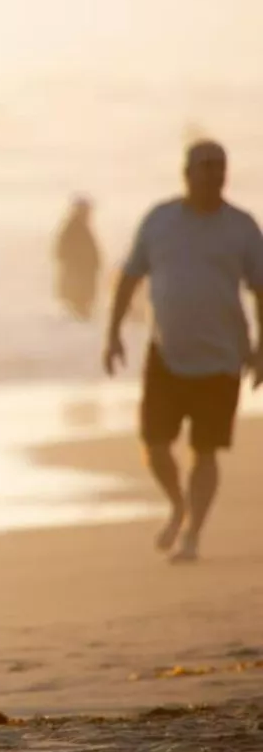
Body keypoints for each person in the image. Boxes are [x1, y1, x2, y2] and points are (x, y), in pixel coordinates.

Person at [104, 139, 263, 563]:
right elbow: (129, 277)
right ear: (187, 172)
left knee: (206, 450)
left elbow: (262, 289)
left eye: (220, 166)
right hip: (167, 352)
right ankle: (177, 504)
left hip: (223, 358)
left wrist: (262, 347)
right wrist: (113, 333)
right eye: (205, 165)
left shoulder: (242, 227)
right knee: (155, 445)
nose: (214, 173)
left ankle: (193, 533)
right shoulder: (160, 221)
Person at [55, 195, 103, 321]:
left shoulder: (82, 227)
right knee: (78, 308)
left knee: (82, 307)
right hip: (77, 279)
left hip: (84, 277)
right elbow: (61, 252)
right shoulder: (72, 228)